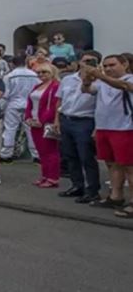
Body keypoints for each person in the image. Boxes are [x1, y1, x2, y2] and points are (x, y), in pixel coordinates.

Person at [81, 54, 133, 217]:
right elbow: (87, 90)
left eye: (113, 65)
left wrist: (99, 75)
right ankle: (115, 196)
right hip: (105, 127)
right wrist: (87, 79)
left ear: (125, 64)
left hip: (125, 128)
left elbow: (123, 86)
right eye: (106, 65)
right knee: (112, 163)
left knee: (130, 166)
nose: (109, 68)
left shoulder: (129, 78)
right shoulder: (102, 82)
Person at [54, 51, 101, 203]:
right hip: (66, 118)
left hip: (85, 121)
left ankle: (92, 189)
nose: (87, 64)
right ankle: (77, 185)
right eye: (85, 60)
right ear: (79, 62)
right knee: (70, 156)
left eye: (91, 61)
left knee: (86, 157)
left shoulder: (100, 82)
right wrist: (57, 120)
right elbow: (59, 101)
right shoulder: (68, 79)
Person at [25, 64, 62, 188]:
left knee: (50, 151)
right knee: (41, 151)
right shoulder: (37, 86)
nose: (41, 75)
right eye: (39, 73)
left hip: (47, 123)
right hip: (34, 121)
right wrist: (28, 117)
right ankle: (45, 175)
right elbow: (29, 103)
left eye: (44, 72)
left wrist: (42, 120)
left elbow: (54, 106)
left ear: (52, 72)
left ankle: (53, 177)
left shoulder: (56, 86)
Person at [1, 55, 40, 162]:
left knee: (10, 129)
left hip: (13, 104)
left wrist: (1, 108)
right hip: (30, 104)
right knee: (31, 130)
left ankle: (6, 154)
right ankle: (36, 155)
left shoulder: (9, 76)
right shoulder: (34, 75)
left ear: (12, 64)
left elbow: (5, 94)